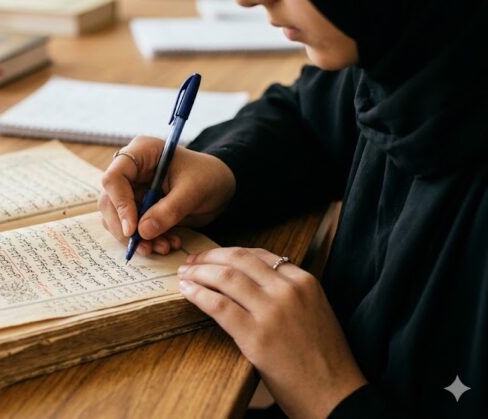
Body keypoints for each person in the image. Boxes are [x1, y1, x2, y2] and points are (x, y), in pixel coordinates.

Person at [98, 0, 487, 417]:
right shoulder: (424, 49)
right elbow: (308, 114)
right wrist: (225, 171)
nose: (246, 0)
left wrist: (326, 393)